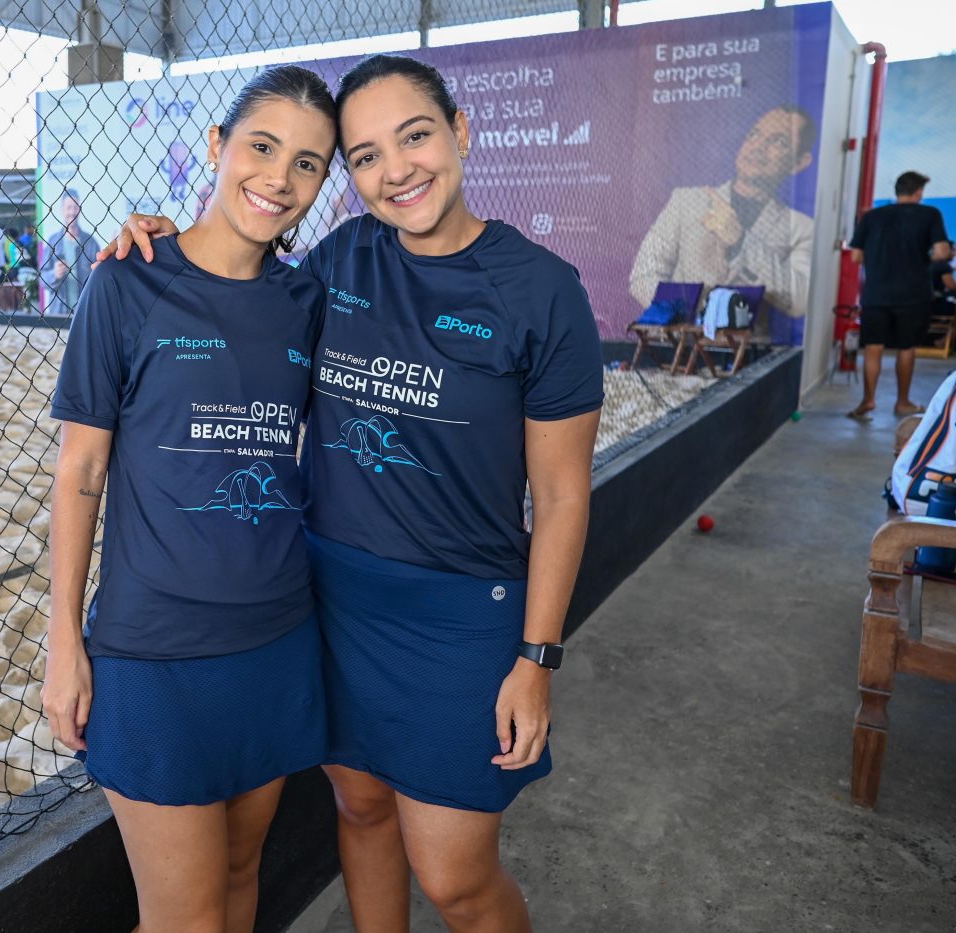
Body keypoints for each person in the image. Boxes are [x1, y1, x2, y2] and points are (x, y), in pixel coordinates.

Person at [102, 53, 602, 933]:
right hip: (329, 601)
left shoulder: (542, 291)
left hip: (462, 614)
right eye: (365, 155)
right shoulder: (341, 260)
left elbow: (562, 498)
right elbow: (235, 282)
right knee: (362, 813)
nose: (396, 169)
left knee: (454, 878)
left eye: (415, 137)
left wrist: (538, 657)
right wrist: (158, 240)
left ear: (462, 133)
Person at [42, 65, 337, 933]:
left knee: (243, 878)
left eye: (310, 164)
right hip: (153, 651)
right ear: (215, 148)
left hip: (276, 638)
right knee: (187, 919)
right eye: (261, 147)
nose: (279, 178)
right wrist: (65, 635)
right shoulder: (127, 282)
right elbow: (80, 472)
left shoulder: (308, 301)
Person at [629, 105, 818, 345]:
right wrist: (695, 319)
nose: (757, 148)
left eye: (778, 142)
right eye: (754, 135)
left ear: (800, 162)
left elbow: (799, 300)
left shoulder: (801, 228)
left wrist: (742, 242)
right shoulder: (686, 201)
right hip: (677, 350)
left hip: (747, 358)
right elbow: (643, 275)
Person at [848, 171, 953, 420]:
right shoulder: (930, 215)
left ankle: (868, 400)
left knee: (873, 347)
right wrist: (925, 256)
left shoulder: (872, 217)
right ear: (918, 192)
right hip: (913, 294)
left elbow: (856, 256)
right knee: (907, 347)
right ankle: (902, 402)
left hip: (876, 293)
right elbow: (941, 252)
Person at [41, 189, 99, 315]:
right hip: (59, 313)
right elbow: (42, 278)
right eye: (69, 207)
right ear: (62, 210)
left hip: (85, 312)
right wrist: (54, 275)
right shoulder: (53, 242)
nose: (72, 212)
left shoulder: (90, 242)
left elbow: (100, 274)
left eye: (76, 207)